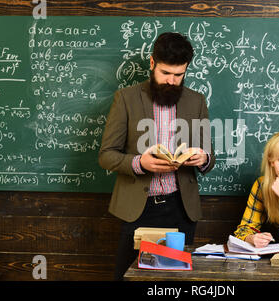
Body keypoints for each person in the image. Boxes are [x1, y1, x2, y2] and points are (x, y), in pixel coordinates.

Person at [99, 32, 215, 280]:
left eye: (178, 75)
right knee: (129, 277)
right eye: (165, 73)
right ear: (152, 64)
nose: (171, 81)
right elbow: (106, 155)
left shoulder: (196, 101)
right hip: (138, 209)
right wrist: (139, 162)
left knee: (176, 280)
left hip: (181, 208)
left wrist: (202, 158)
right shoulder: (126, 99)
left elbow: (209, 155)